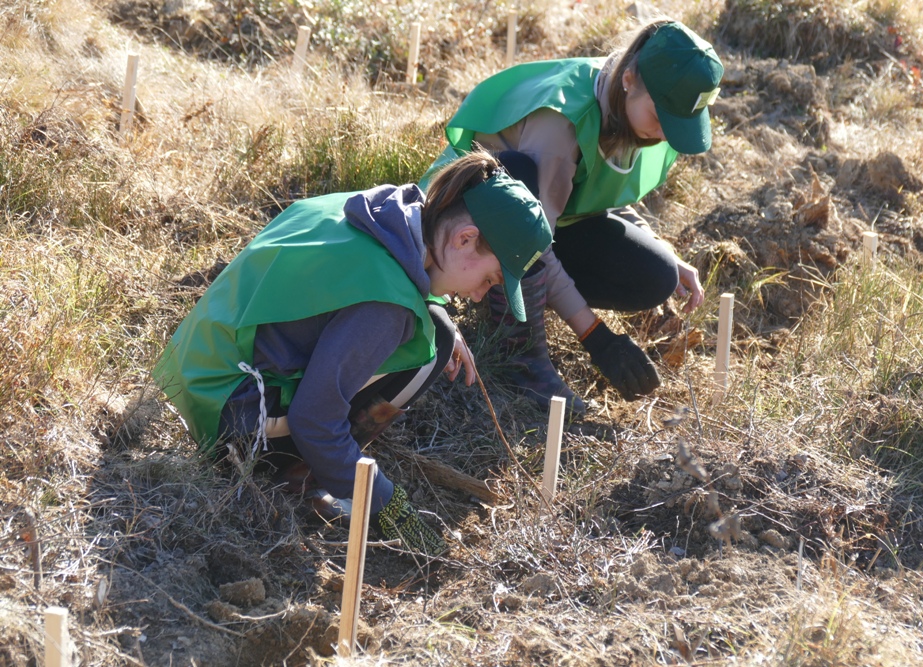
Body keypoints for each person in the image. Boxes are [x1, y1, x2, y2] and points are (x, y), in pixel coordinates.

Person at [153, 151, 552, 558]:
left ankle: (307, 463)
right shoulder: (386, 306)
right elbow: (315, 418)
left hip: (194, 370)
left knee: (436, 324)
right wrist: (387, 505)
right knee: (434, 347)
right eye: (489, 278)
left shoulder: (382, 211)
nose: (481, 295)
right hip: (229, 420)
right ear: (464, 238)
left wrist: (433, 309)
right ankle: (294, 476)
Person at [421, 18, 723, 415]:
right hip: (465, 225)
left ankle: (516, 293)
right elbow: (529, 237)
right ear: (630, 78)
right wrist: (596, 337)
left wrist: (661, 244)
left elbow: (600, 194)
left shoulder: (629, 107)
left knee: (657, 273)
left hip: (545, 217)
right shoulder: (562, 124)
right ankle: (520, 351)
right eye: (662, 117)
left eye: (678, 124)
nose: (666, 134)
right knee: (520, 178)